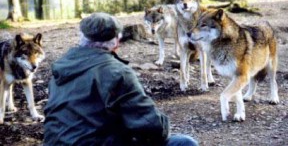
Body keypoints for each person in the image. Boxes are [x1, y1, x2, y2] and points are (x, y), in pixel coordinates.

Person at [44, 12, 198, 146]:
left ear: (82, 38)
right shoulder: (116, 72)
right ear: (117, 42)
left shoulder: (61, 69)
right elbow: (153, 127)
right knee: (184, 143)